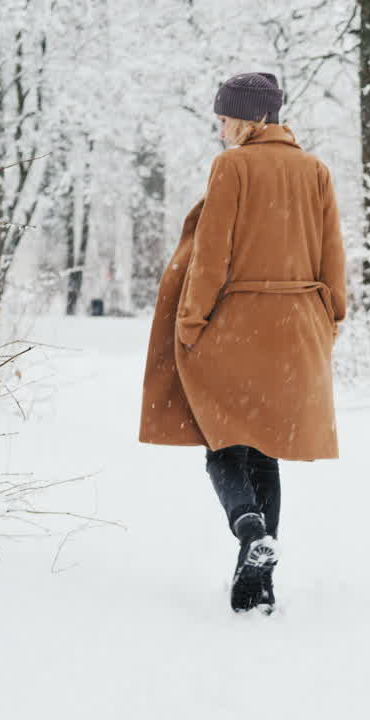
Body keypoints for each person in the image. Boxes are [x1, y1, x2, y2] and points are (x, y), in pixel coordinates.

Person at [138, 71, 347, 614]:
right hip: (297, 327)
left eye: (226, 118)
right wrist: (330, 319)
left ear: (254, 118)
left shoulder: (232, 168)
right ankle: (258, 580)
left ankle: (248, 525)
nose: (222, 129)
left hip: (236, 324)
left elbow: (212, 256)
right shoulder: (316, 171)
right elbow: (333, 257)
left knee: (224, 444)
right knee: (266, 450)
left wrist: (191, 321)